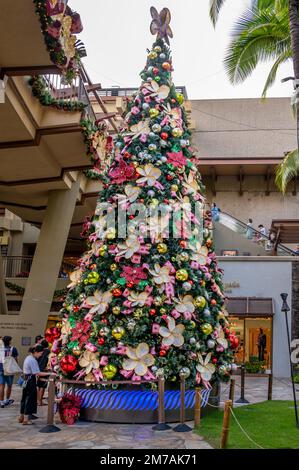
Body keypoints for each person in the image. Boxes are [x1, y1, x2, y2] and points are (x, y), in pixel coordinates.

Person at [19, 345, 53, 425]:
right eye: (40, 353)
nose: (41, 355)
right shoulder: (32, 360)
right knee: (30, 399)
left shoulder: (28, 358)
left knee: (24, 398)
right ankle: (26, 419)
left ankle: (21, 416)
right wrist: (50, 373)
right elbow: (38, 373)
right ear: (36, 352)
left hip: (26, 380)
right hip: (30, 381)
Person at [0, 336, 18, 408]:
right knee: (9, 385)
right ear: (9, 341)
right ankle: (7, 400)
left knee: (1, 386)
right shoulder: (13, 349)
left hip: (1, 369)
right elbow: (16, 360)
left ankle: (1, 402)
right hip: (10, 369)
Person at [37, 339, 50, 406]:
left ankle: (38, 400)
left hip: (37, 369)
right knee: (42, 386)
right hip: (44, 370)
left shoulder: (39, 351)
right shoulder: (48, 351)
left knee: (38, 386)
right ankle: (40, 401)